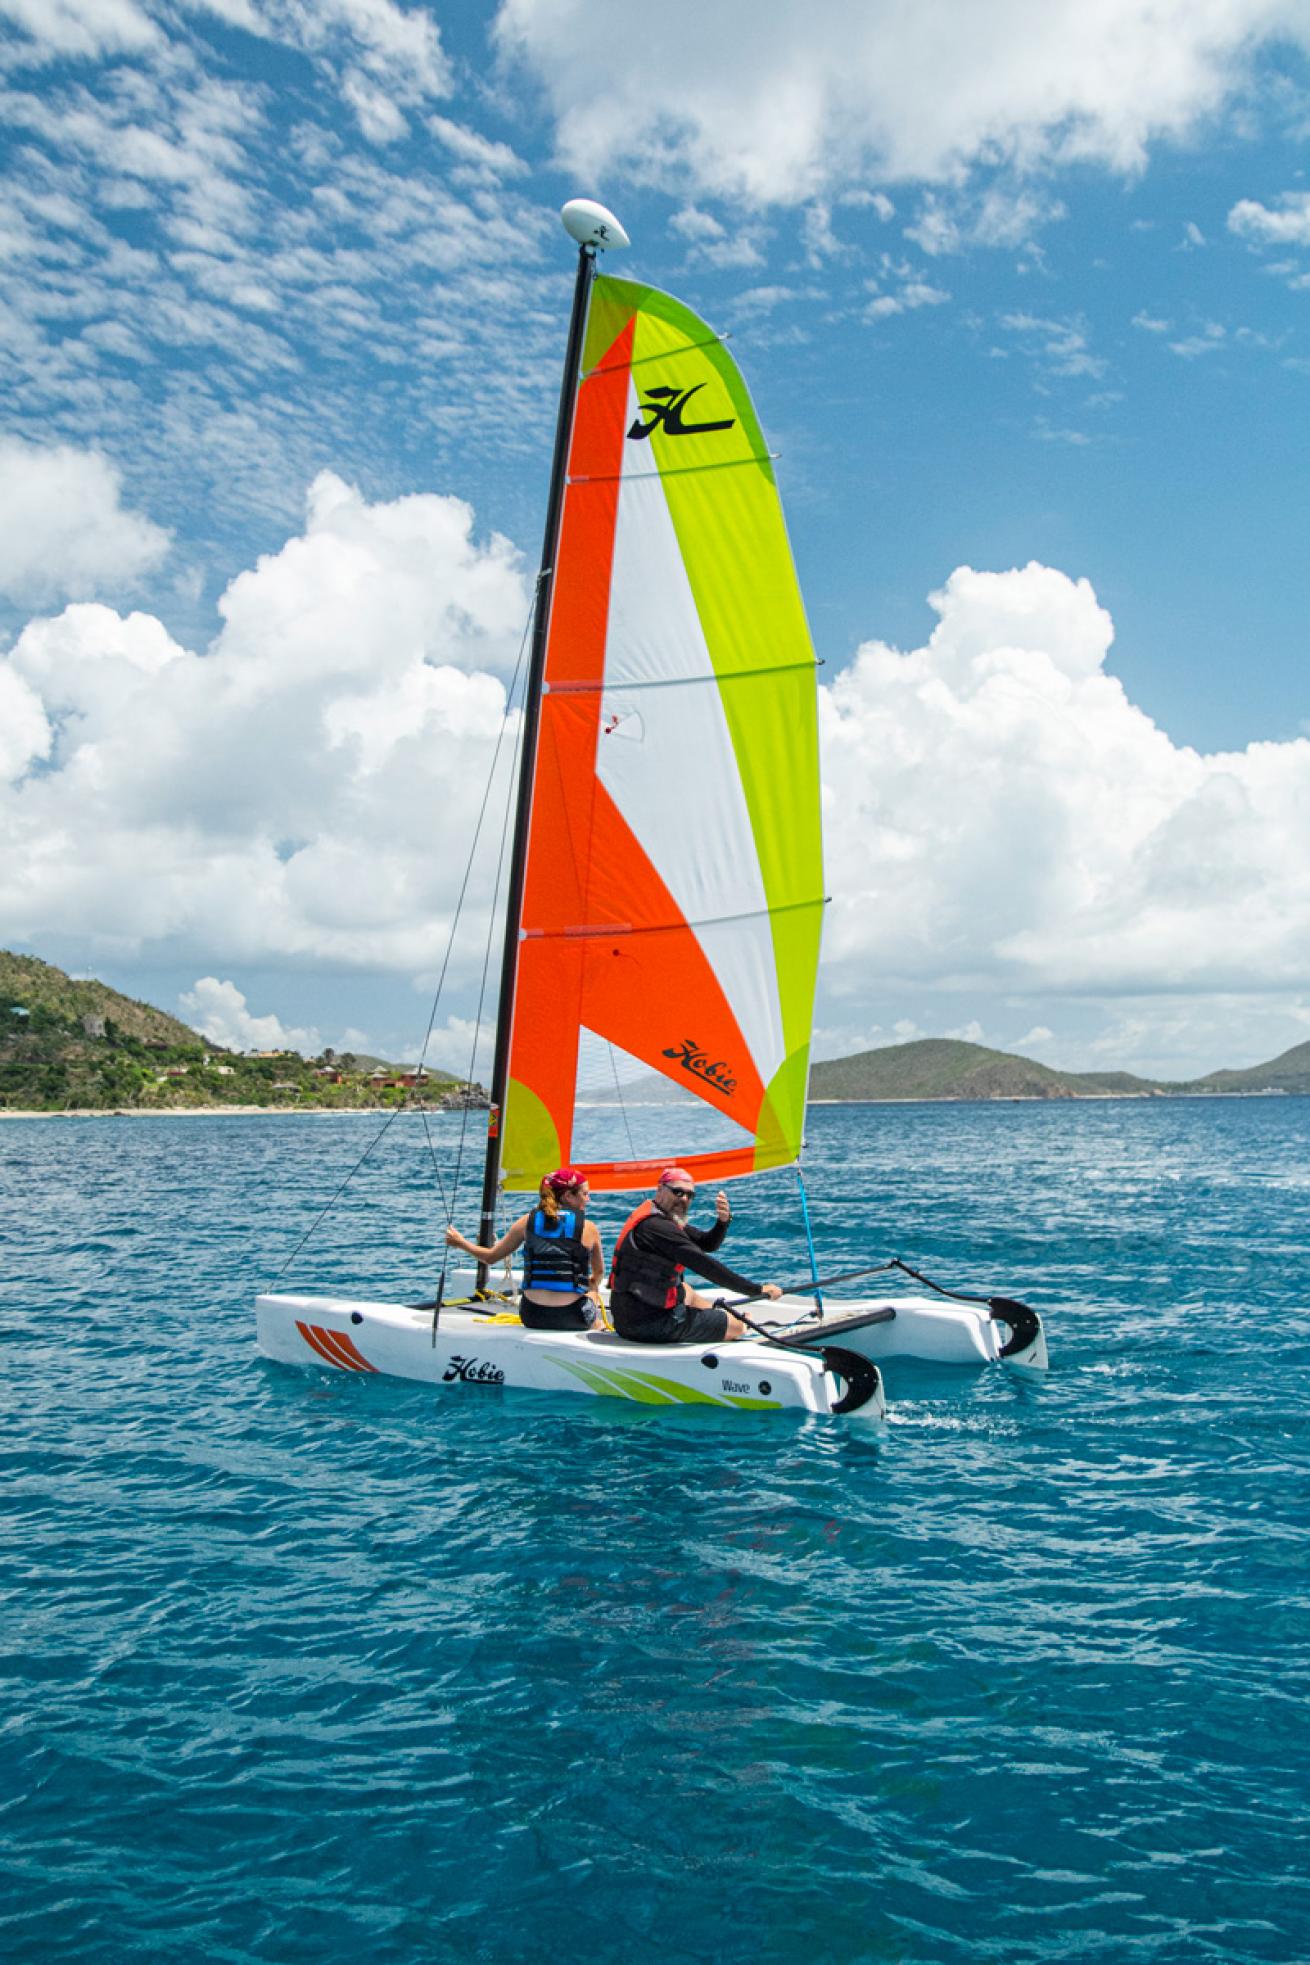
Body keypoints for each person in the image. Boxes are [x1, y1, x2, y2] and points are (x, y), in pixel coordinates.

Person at [608, 1167, 782, 1345]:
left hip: (629, 1318)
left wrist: (723, 1222)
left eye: (689, 1195)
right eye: (677, 1192)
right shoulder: (657, 1228)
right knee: (738, 1327)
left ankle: (720, 1318)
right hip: (650, 1324)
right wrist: (756, 1290)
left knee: (686, 1290)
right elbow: (705, 1265)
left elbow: (707, 1243)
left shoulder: (661, 1218)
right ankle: (736, 1325)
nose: (683, 1199)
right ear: (660, 1189)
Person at [445, 1168, 604, 1331]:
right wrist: (588, 1288)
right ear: (568, 1196)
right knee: (592, 1289)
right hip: (572, 1316)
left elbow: (490, 1258)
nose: (588, 1199)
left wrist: (460, 1242)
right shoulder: (589, 1227)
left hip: (532, 1315)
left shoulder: (526, 1221)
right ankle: (598, 1327)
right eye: (585, 1194)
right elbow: (598, 1273)